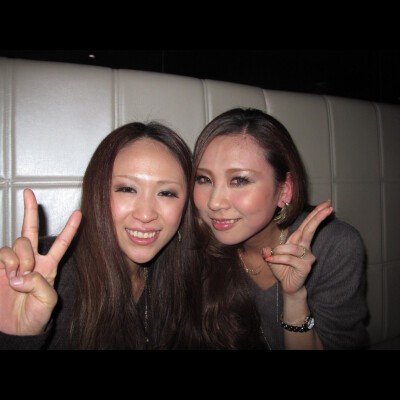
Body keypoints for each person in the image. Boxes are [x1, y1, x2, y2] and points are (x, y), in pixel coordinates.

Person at [0, 121, 197, 350]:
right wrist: (15, 337)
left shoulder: (185, 277)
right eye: (127, 189)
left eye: (166, 193)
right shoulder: (48, 271)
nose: (145, 215)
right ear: (98, 192)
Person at [191, 108, 369, 350]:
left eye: (239, 180)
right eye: (203, 179)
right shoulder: (196, 247)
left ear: (284, 190)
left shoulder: (334, 246)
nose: (214, 203)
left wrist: (294, 298)